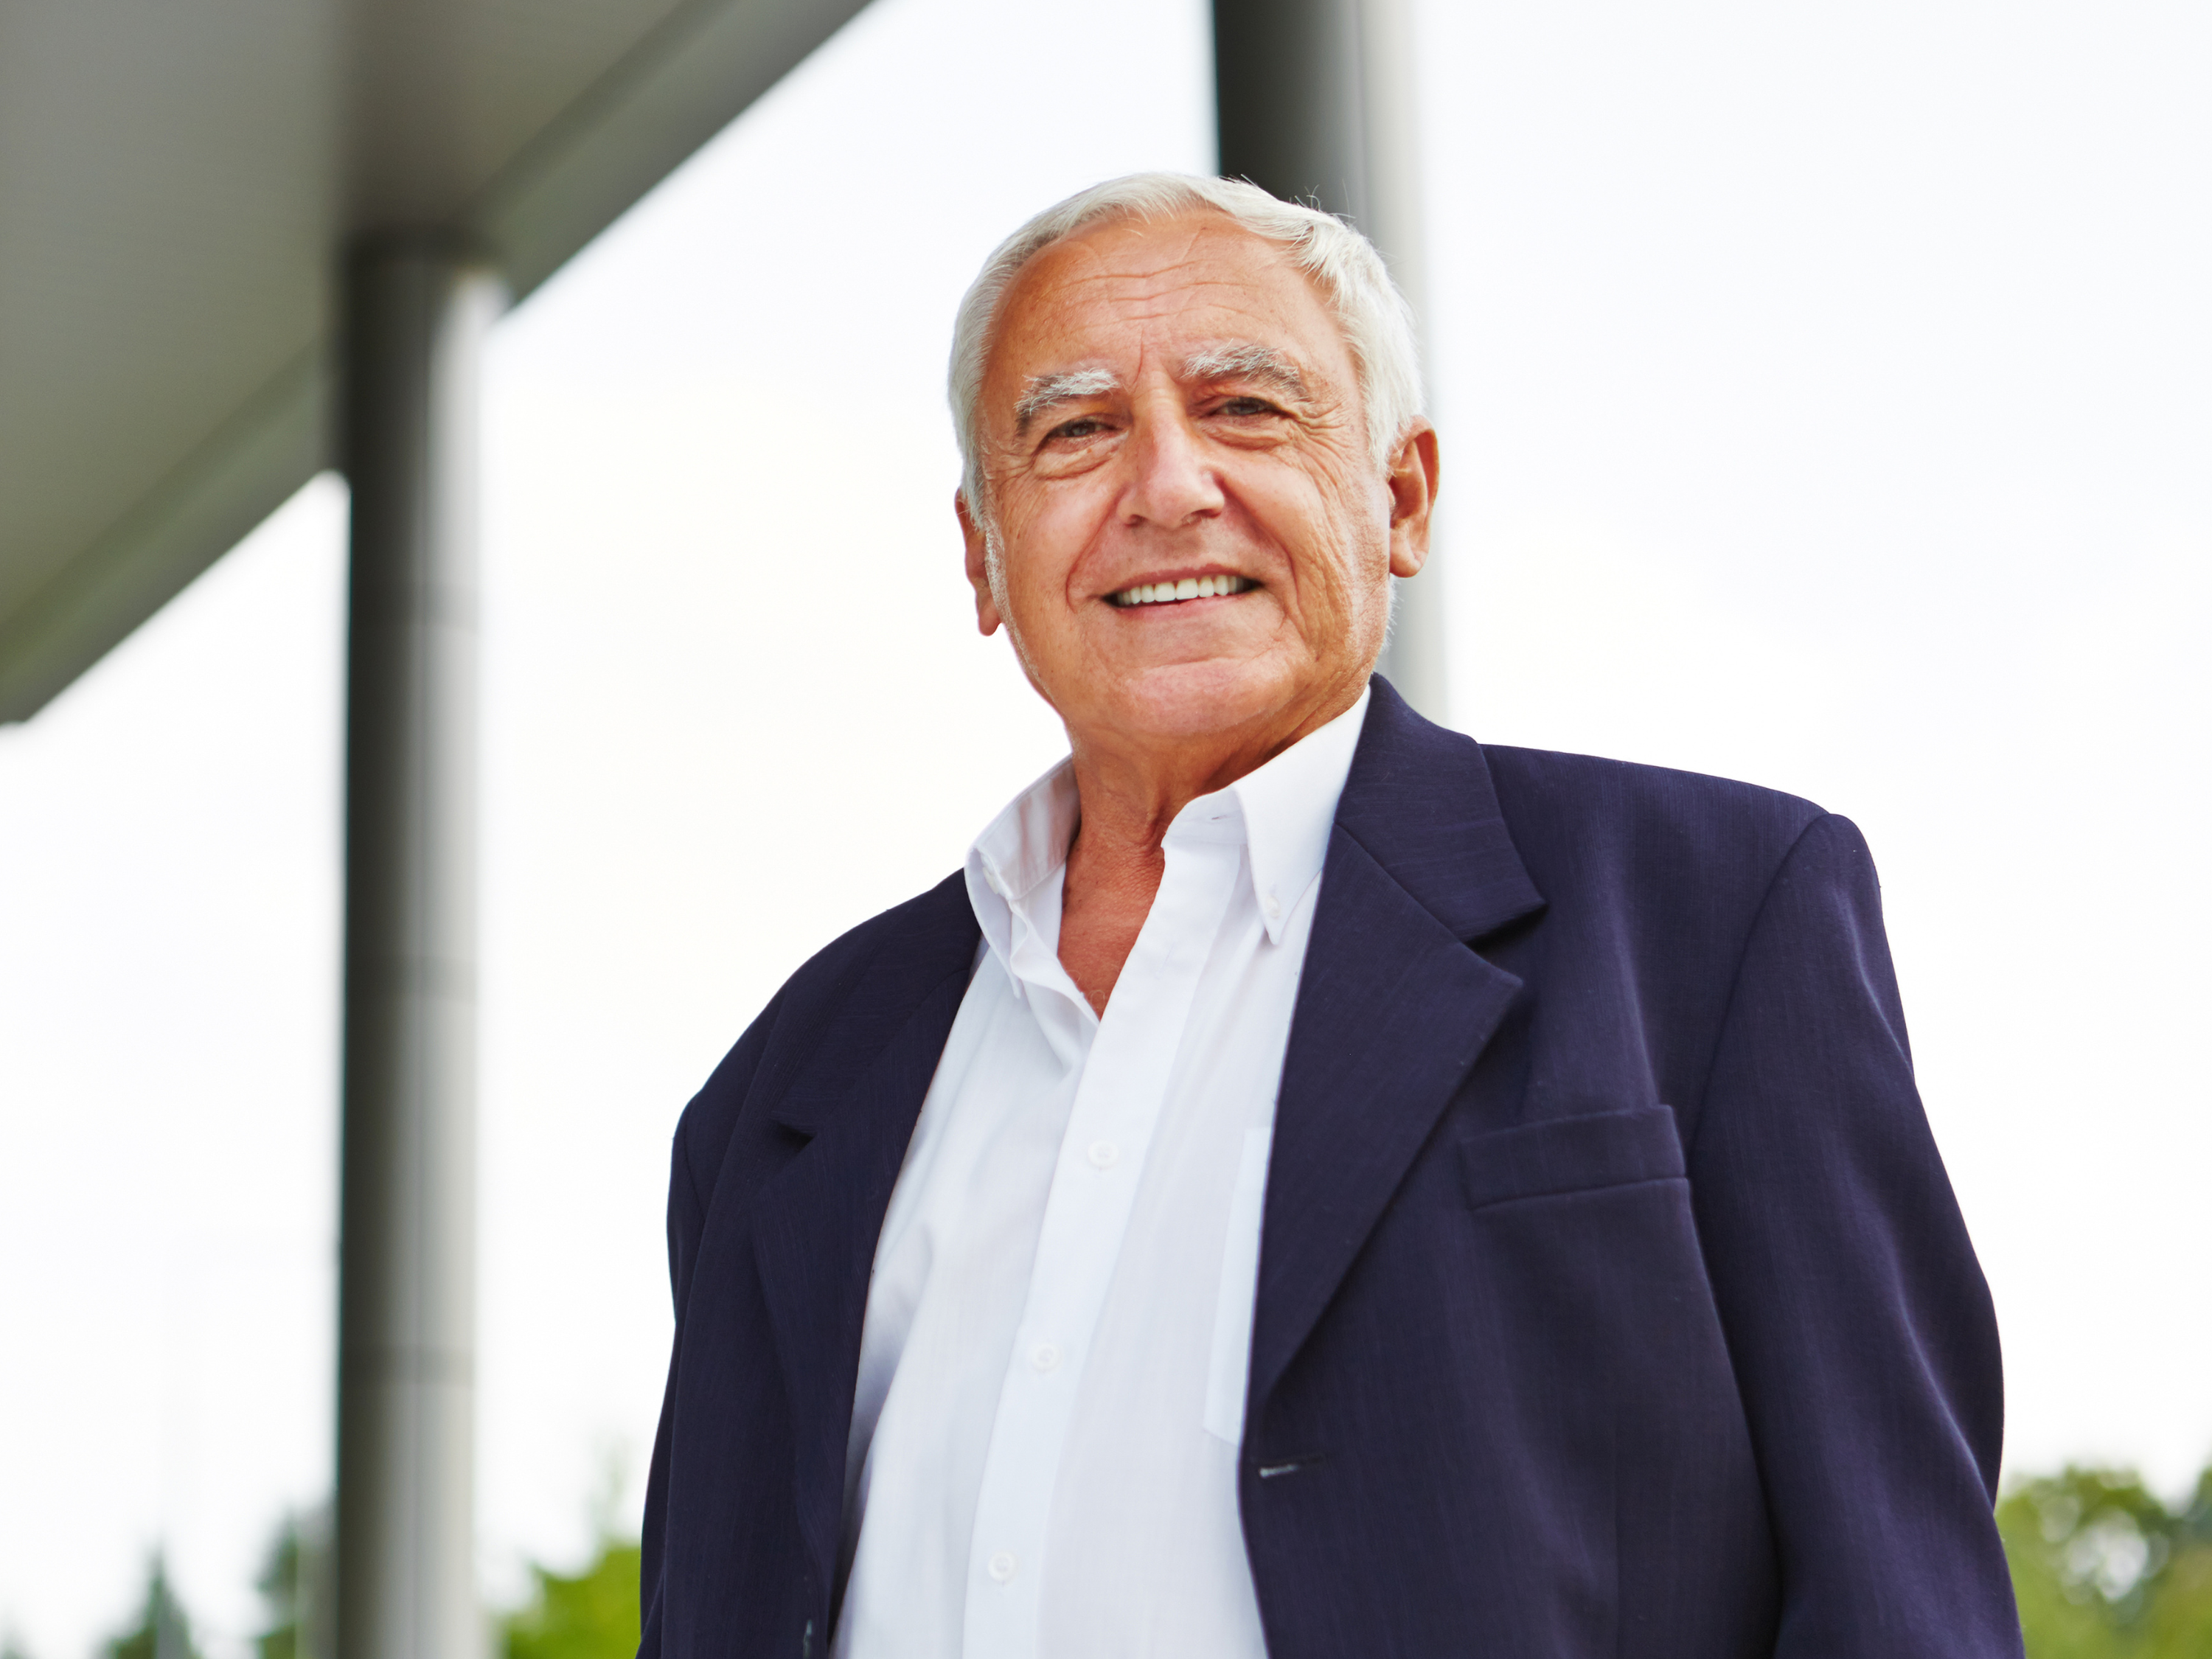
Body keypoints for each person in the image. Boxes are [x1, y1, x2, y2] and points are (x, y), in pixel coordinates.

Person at [637, 173, 2023, 1659]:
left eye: (1246, 409)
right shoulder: (785, 1088)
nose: (1165, 486)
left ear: (1402, 496)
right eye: (1076, 430)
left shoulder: (1715, 914)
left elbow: (1899, 1601)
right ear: (982, 553)